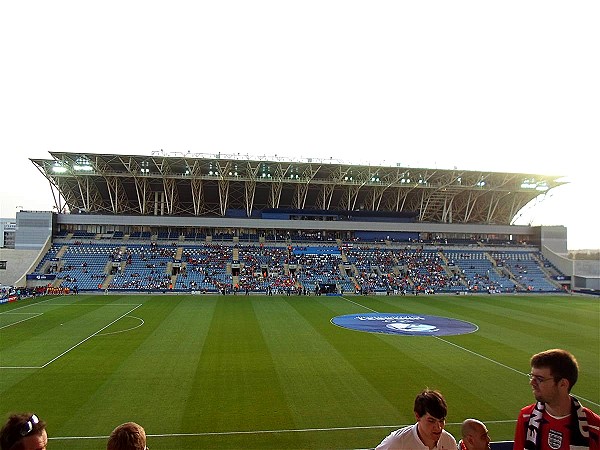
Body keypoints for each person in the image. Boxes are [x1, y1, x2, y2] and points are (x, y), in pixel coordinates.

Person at [513, 348, 600, 450]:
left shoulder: (594, 427)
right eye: (532, 377)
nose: (532, 383)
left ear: (563, 384)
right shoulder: (526, 417)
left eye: (539, 379)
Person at [375, 389, 457, 450]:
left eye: (441, 421)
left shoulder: (449, 442)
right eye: (431, 421)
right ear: (417, 416)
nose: (438, 427)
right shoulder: (397, 442)